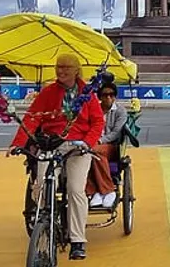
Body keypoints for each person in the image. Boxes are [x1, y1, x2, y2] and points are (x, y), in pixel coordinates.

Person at [9, 53, 105, 261]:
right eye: (58, 67)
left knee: (75, 190)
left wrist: (87, 143)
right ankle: (43, 221)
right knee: (40, 184)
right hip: (51, 145)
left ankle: (78, 240)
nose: (61, 71)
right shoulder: (48, 92)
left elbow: (98, 123)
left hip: (78, 148)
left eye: (66, 67)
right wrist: (18, 143)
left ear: (76, 70)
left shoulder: (88, 94)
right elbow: (32, 118)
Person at [86, 82, 127, 208]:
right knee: (83, 153)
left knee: (93, 151)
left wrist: (99, 140)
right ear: (100, 97)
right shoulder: (94, 109)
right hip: (93, 146)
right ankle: (95, 191)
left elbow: (115, 133)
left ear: (115, 96)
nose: (108, 97)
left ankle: (108, 190)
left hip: (110, 145)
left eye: (111, 95)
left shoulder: (120, 111)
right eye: (105, 95)